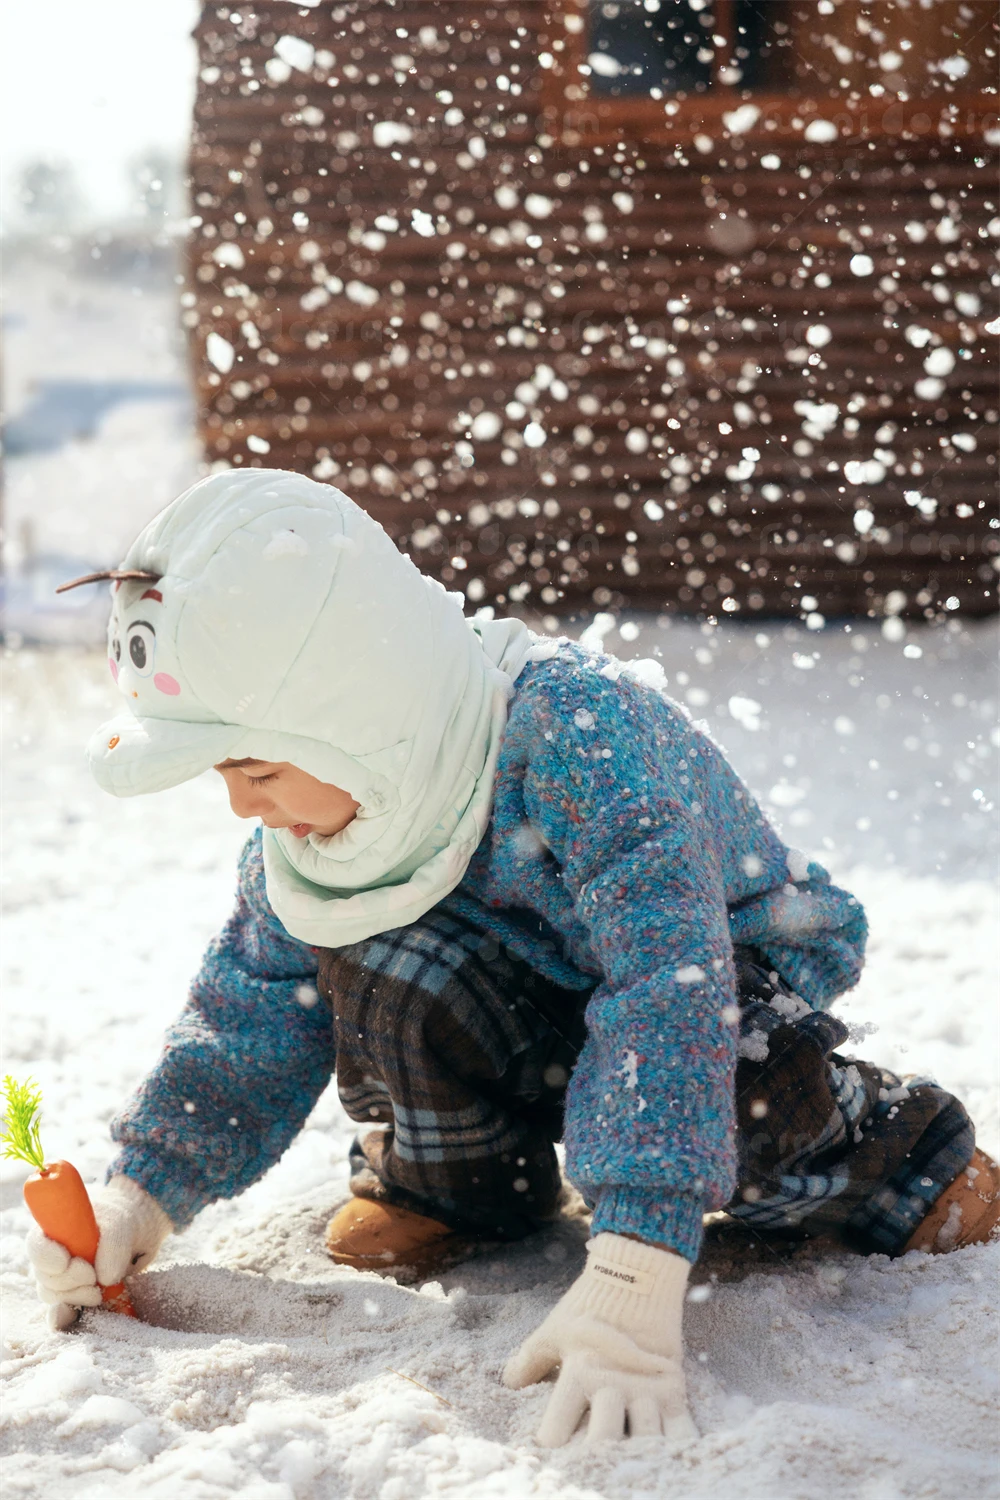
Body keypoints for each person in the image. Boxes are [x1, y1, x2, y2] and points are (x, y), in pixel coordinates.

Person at [30, 470, 998, 1446]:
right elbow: (251, 1002)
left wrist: (635, 1259)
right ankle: (464, 1188)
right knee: (375, 965)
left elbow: (669, 985)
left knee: (741, 1102)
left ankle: (893, 1150)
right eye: (222, 774)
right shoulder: (323, 838)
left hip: (718, 992)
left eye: (258, 768)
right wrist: (139, 1195)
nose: (241, 804)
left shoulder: (576, 737)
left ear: (352, 719)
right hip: (546, 1002)